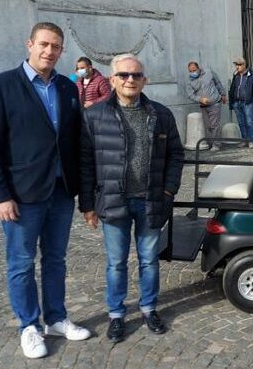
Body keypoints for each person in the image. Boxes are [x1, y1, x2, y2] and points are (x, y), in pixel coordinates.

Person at [0, 22, 91, 359]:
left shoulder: (68, 89)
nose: (49, 51)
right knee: (21, 262)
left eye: (56, 47)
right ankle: (29, 325)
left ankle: (55, 317)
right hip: (21, 194)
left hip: (60, 191)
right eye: (43, 44)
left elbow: (75, 144)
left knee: (56, 259)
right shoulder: (0, 87)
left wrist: (84, 195)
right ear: (29, 44)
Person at [79, 54, 184, 343]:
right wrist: (87, 204)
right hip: (113, 200)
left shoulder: (161, 114)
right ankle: (116, 315)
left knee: (149, 260)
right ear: (112, 79)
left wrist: (168, 191)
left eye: (136, 75)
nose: (130, 80)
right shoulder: (94, 116)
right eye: (124, 75)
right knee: (116, 262)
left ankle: (149, 309)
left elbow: (176, 155)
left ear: (144, 80)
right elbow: (86, 163)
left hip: (151, 199)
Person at [185, 61, 227, 151]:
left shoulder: (209, 72)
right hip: (203, 105)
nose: (193, 73)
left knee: (214, 124)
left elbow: (218, 83)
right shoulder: (190, 81)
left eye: (194, 70)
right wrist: (200, 99)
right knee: (208, 126)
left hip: (215, 102)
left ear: (198, 68)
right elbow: (190, 95)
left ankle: (216, 144)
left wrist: (223, 94)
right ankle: (211, 143)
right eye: (190, 71)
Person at [229, 56, 253, 148]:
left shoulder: (252, 75)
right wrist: (232, 102)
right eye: (236, 65)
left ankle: (250, 141)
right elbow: (232, 88)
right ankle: (244, 140)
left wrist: (252, 100)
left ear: (244, 65)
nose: (237, 67)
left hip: (248, 103)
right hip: (237, 102)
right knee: (241, 122)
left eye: (238, 65)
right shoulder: (236, 75)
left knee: (249, 122)